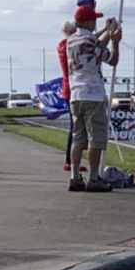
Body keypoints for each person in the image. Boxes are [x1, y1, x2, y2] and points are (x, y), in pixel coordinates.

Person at [66, 4, 122, 192]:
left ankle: (75, 177)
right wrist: (115, 41)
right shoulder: (90, 41)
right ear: (89, 22)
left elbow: (93, 48)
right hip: (93, 94)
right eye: (94, 20)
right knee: (95, 138)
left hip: (75, 95)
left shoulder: (71, 41)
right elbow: (111, 59)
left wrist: (106, 31)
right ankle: (94, 178)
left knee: (77, 138)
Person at [56, 20, 78, 171]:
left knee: (76, 126)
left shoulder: (63, 45)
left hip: (68, 89)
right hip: (71, 89)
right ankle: (70, 161)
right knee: (75, 126)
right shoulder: (67, 46)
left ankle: (72, 161)